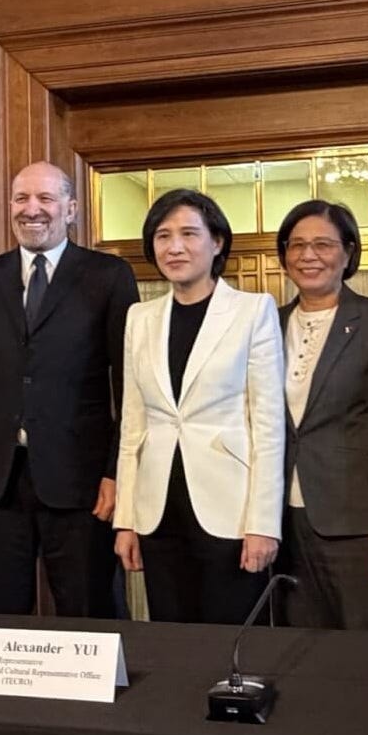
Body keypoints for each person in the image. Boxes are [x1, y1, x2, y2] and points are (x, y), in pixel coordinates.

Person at [0, 161, 138, 617]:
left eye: (46, 198)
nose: (32, 209)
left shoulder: (109, 276)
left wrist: (117, 475)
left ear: (71, 209)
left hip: (83, 482)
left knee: (90, 611)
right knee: (0, 613)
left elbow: (130, 387)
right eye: (21, 198)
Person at [113, 189, 284, 624]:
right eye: (163, 236)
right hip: (157, 508)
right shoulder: (139, 318)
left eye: (189, 234)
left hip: (231, 508)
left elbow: (268, 426)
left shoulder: (252, 311)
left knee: (229, 637)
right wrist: (126, 519)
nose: (175, 247)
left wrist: (264, 523)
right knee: (171, 635)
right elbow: (133, 425)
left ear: (217, 242)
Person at [275, 200, 368, 630]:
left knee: (367, 645)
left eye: (323, 244)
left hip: (358, 524)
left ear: (348, 252)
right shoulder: (267, 324)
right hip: (283, 520)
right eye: (296, 245)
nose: (308, 255)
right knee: (298, 647)